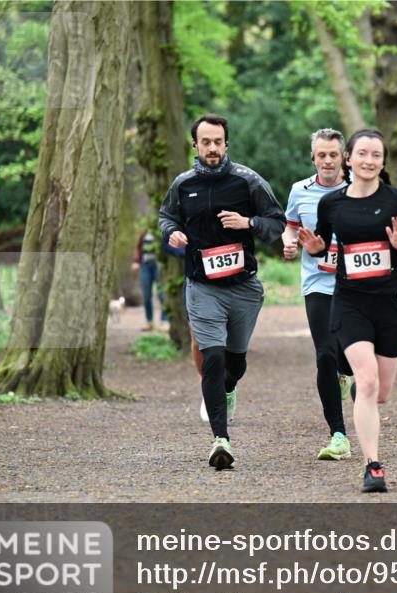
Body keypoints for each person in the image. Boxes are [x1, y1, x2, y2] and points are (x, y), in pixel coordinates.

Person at [299, 128, 397, 492]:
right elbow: (323, 244)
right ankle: (373, 466)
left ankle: (360, 392)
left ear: (383, 161)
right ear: (349, 158)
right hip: (350, 301)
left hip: (390, 303)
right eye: (362, 154)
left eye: (376, 155)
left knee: (380, 392)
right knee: (369, 379)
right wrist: (314, 248)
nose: (369, 161)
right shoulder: (332, 204)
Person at [159, 113, 286, 470]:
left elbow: (276, 222)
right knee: (212, 358)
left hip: (243, 287)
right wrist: (173, 234)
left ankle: (229, 389)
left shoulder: (248, 181)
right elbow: (166, 217)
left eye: (218, 142)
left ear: (226, 144)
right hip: (202, 286)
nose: (212, 148)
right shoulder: (183, 184)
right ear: (195, 146)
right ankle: (221, 440)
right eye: (205, 142)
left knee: (235, 362)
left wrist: (249, 223)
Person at [282, 128, 356, 461]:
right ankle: (338, 435)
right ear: (313, 157)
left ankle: (347, 374)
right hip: (318, 284)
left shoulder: (359, 190)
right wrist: (289, 240)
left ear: (344, 158)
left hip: (356, 285)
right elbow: (291, 223)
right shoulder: (300, 190)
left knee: (349, 359)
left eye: (333, 155)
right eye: (321, 155)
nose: (327, 161)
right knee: (324, 354)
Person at [132, 229, 167, 331]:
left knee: (161, 294)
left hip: (158, 265)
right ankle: (149, 322)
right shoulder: (144, 232)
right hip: (145, 266)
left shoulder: (160, 229)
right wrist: (136, 261)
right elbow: (138, 248)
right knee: (146, 295)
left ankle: (164, 321)